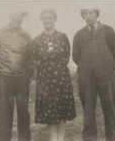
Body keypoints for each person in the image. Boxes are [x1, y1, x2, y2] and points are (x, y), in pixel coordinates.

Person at [0, 10, 33, 141]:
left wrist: (28, 74)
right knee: (5, 114)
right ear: (10, 16)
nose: (18, 18)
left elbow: (31, 57)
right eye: (16, 15)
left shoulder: (27, 35)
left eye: (21, 16)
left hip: (22, 79)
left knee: (24, 113)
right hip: (4, 79)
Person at [72, 9, 115, 141]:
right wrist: (87, 66)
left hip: (106, 73)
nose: (88, 16)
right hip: (86, 76)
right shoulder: (79, 34)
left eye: (91, 13)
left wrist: (106, 65)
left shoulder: (108, 31)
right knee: (88, 111)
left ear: (96, 14)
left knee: (109, 107)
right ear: (83, 16)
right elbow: (76, 57)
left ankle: (113, 138)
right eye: (85, 14)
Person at [31, 9, 76, 141]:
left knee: (61, 107)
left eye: (50, 18)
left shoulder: (62, 37)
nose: (47, 20)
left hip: (61, 77)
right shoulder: (37, 40)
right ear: (41, 20)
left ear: (54, 19)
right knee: (49, 108)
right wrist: (44, 68)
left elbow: (67, 55)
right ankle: (52, 138)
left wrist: (57, 67)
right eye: (44, 18)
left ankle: (60, 138)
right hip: (45, 78)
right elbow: (33, 58)